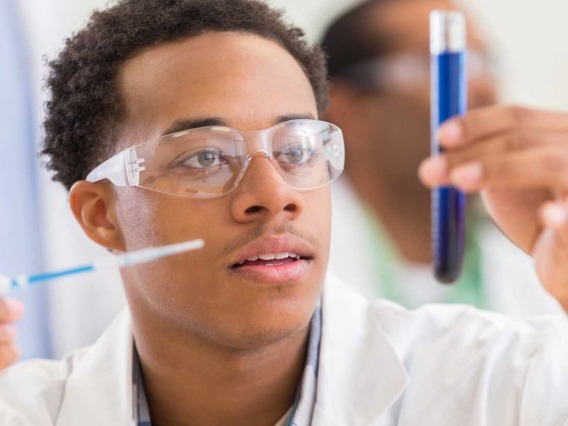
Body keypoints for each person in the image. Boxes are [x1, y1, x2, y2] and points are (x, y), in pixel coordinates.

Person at [1, 0, 568, 424]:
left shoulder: (503, 385)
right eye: (204, 157)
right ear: (102, 215)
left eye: (296, 150)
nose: (275, 195)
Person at [322, 0, 562, 315]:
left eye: (483, 62)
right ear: (350, 110)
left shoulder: (537, 254)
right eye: (436, 62)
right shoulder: (293, 259)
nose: (484, 89)